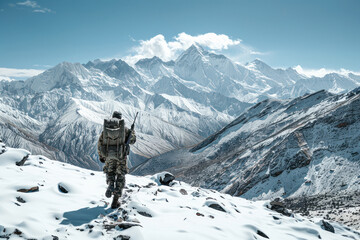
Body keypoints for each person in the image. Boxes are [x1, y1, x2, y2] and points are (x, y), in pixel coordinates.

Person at [97, 111, 136, 208]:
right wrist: (132, 132)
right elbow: (133, 140)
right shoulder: (125, 130)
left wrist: (101, 156)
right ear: (120, 118)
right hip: (121, 157)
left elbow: (100, 144)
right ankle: (115, 201)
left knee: (110, 172)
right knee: (120, 176)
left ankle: (110, 184)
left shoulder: (106, 130)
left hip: (109, 156)